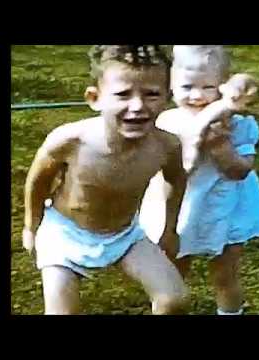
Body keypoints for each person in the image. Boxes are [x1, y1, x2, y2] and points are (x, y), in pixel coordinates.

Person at [22, 45, 189, 315]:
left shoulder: (166, 146)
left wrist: (170, 229)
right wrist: (31, 225)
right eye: (123, 94)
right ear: (95, 98)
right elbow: (38, 179)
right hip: (64, 234)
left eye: (152, 94)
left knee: (174, 299)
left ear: (168, 98)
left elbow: (176, 180)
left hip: (124, 234)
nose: (137, 106)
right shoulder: (70, 141)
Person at [140, 45, 259, 315]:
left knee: (225, 275)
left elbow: (241, 170)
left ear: (224, 88)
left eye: (208, 87)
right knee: (172, 276)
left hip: (229, 208)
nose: (197, 96)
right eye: (187, 87)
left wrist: (220, 146)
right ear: (171, 86)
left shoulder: (239, 124)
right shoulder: (165, 123)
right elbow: (162, 170)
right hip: (180, 208)